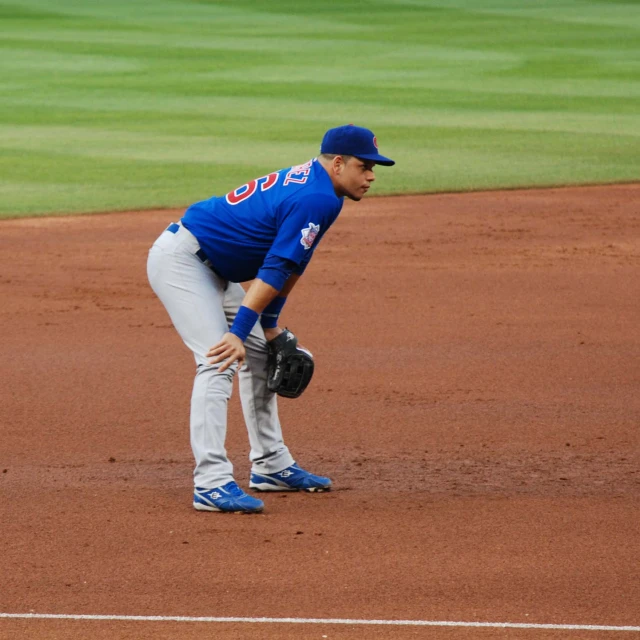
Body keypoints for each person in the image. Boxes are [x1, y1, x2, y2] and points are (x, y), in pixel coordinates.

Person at [147, 124, 395, 513]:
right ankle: (210, 483)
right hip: (183, 261)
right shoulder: (315, 197)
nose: (371, 176)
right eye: (364, 167)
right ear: (337, 163)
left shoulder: (327, 193)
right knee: (218, 360)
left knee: (261, 353)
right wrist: (238, 332)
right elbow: (275, 267)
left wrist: (269, 325)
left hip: (215, 268)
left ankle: (270, 464)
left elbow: (294, 263)